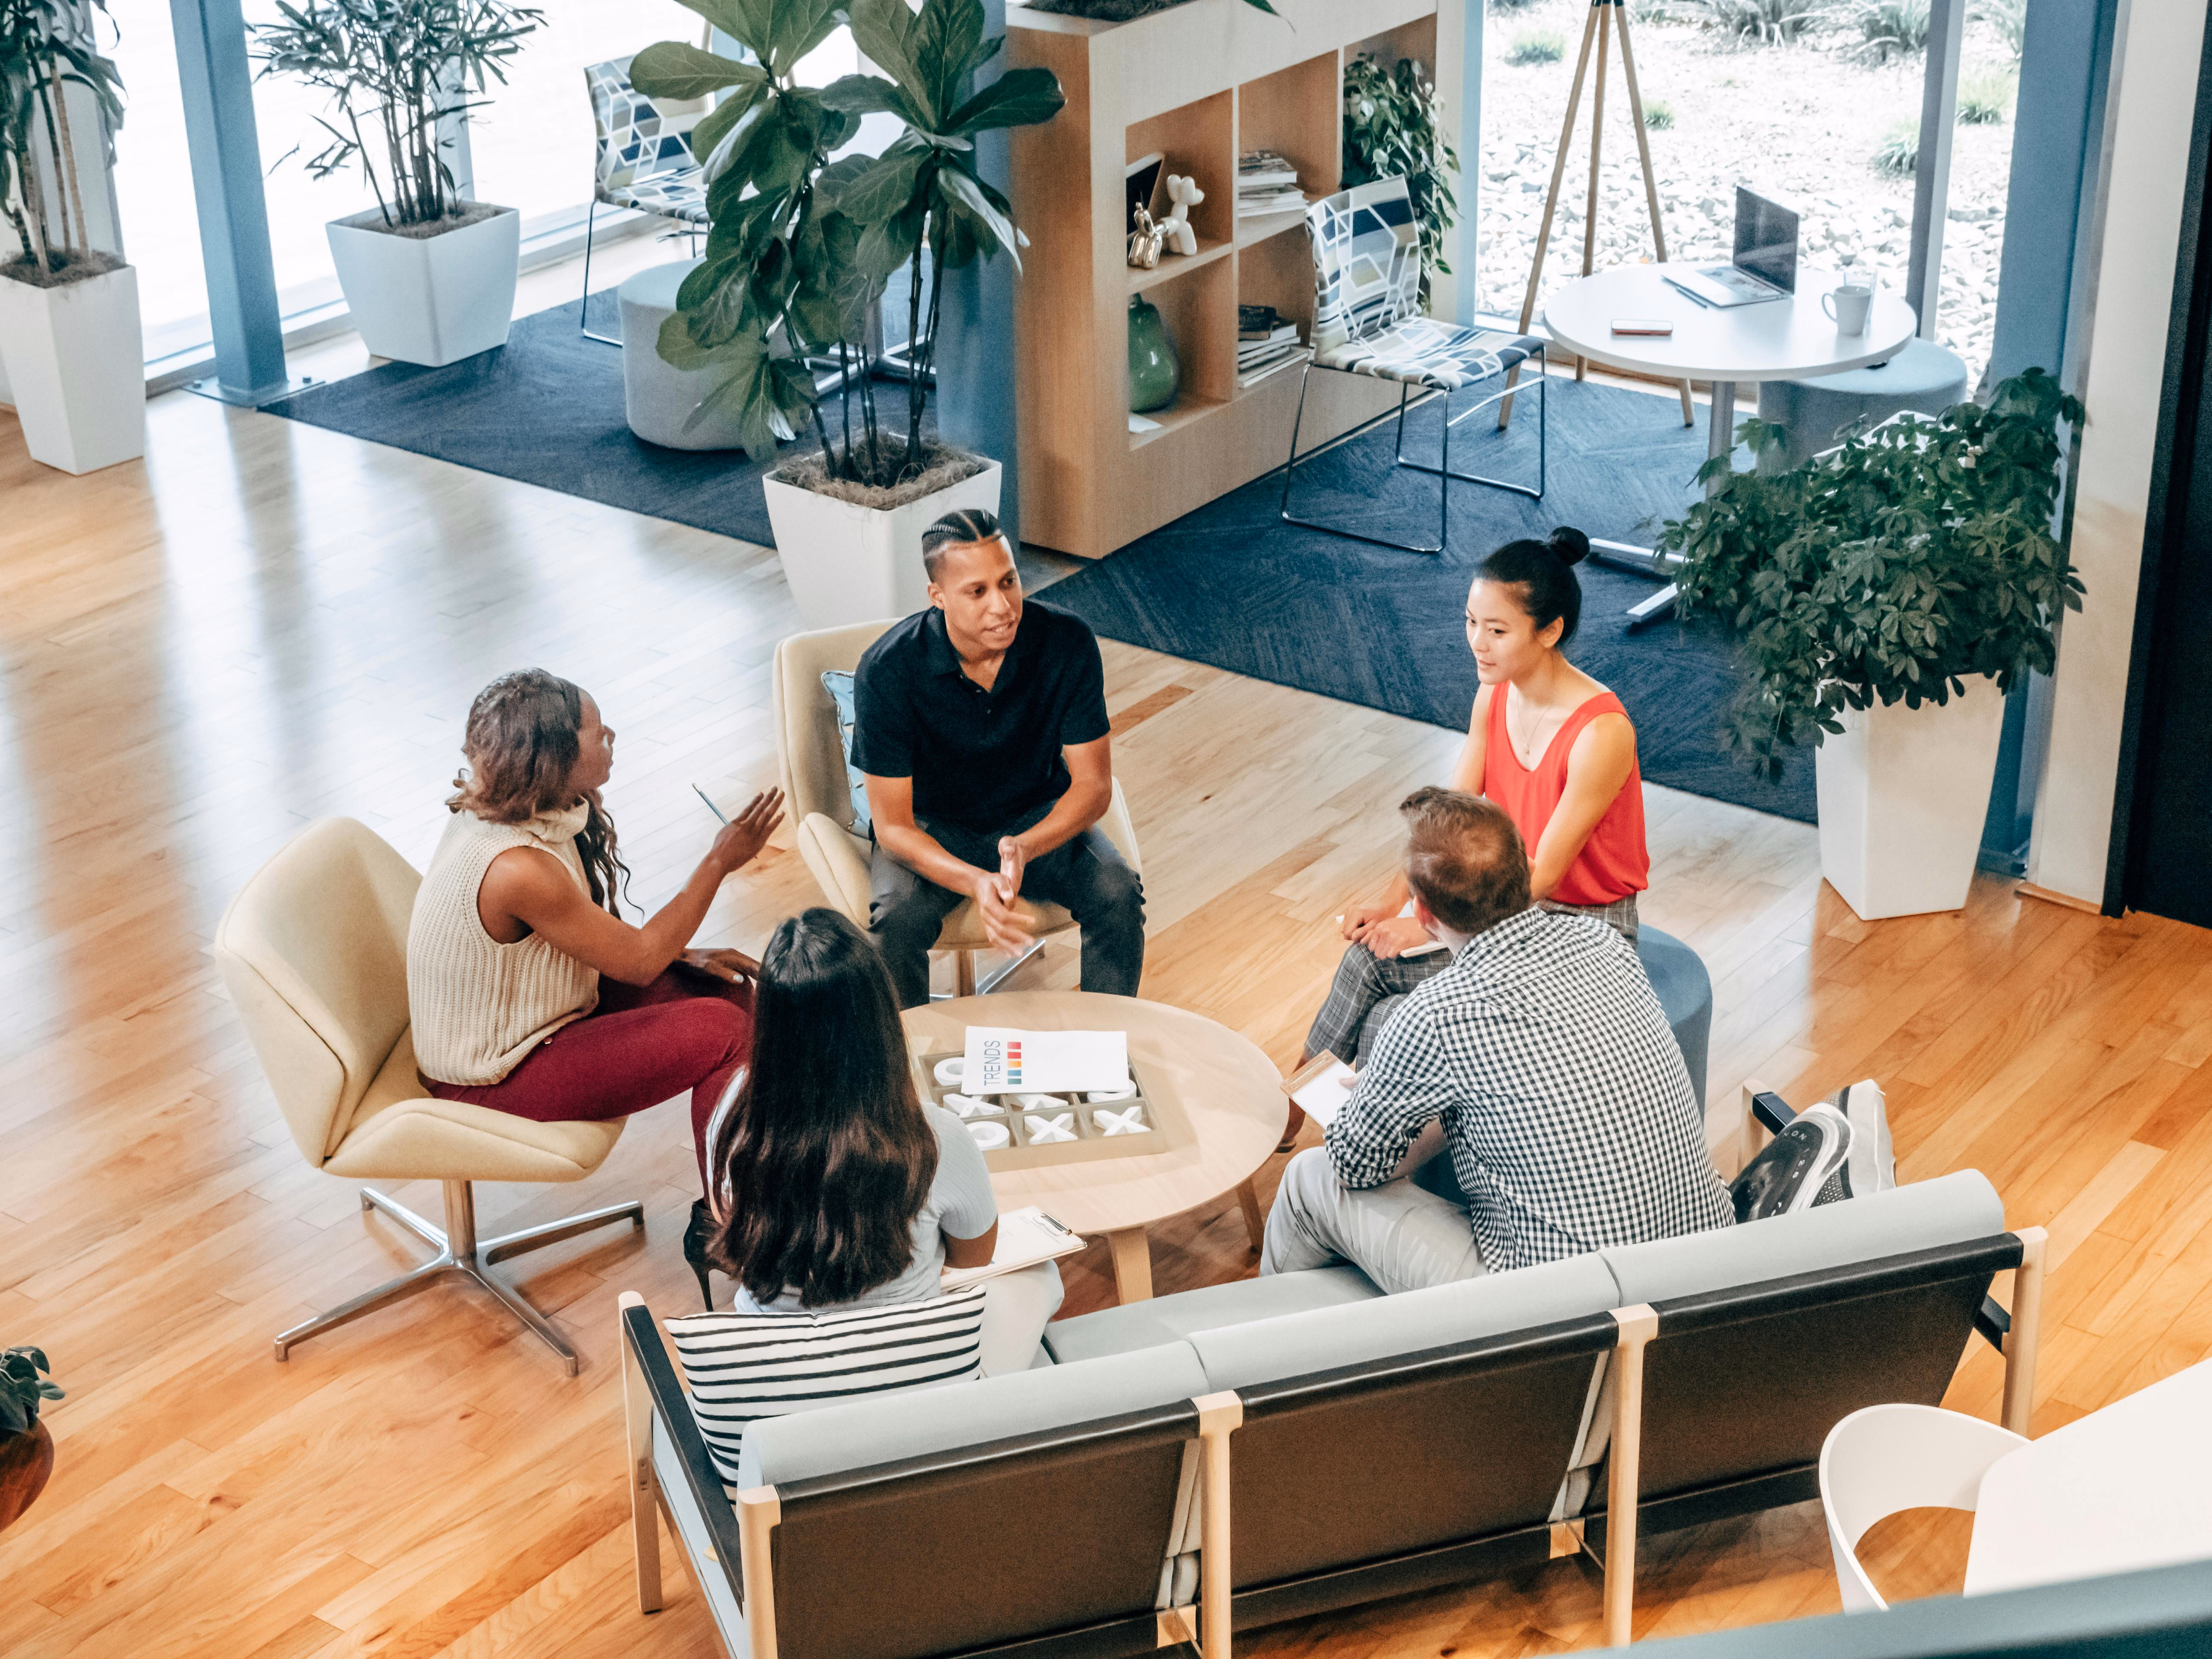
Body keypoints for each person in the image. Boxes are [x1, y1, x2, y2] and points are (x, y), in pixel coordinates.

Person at [1262, 787, 1730, 1294]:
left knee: (1309, 1181)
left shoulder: (1437, 1014)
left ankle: (1270, 1356)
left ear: (1423, 916)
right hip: (1702, 1274)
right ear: (1527, 870)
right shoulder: (1606, 946)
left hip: (1560, 1312)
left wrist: (1383, 1094)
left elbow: (1354, 1164)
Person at [405, 668, 784, 1281]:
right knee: (725, 1032)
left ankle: (766, 1196)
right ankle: (735, 1231)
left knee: (735, 996)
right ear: (552, 757)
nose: (609, 733)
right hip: (491, 1073)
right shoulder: (516, 866)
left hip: (537, 1013)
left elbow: (597, 942)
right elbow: (634, 961)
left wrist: (681, 956)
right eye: (593, 729)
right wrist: (720, 861)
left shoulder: (534, 814)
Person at [1298, 526, 1649, 1109]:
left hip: (1582, 927)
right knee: (1366, 961)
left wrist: (1433, 922)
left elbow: (1545, 877)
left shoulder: (1602, 732)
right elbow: (1445, 822)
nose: (1476, 644)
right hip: (1499, 903)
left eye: (1497, 630)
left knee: (1394, 1019)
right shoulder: (1496, 693)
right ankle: (1286, 1114)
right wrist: (1395, 903)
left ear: (1551, 630)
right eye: (1470, 622)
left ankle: (1354, 1146)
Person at [704, 908, 1063, 1372]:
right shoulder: (933, 1136)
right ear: (880, 1021)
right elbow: (975, 1255)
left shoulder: (734, 1116)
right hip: (908, 1375)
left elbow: (729, 1217)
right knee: (1040, 1276)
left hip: (778, 1371)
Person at [853, 508, 1145, 1008]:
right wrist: (976, 880)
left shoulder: (1066, 641)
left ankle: (1105, 1051)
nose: (1004, 607)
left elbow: (1094, 786)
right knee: (895, 921)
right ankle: (903, 1067)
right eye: (977, 591)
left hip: (1037, 816)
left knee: (1118, 895)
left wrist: (1025, 848)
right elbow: (894, 827)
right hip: (934, 826)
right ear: (937, 597)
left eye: (1008, 581)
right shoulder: (887, 670)